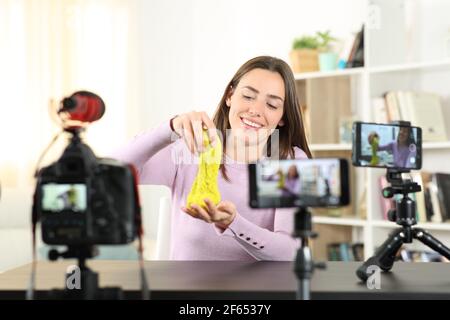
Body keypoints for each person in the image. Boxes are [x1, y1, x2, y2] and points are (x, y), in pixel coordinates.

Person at [111, 56, 311, 261]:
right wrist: (169, 128)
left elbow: (290, 252)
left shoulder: (290, 162)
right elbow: (109, 171)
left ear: (283, 117)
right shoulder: (190, 149)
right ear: (230, 96)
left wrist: (233, 223)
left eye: (271, 104)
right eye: (248, 96)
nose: (256, 110)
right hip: (186, 290)